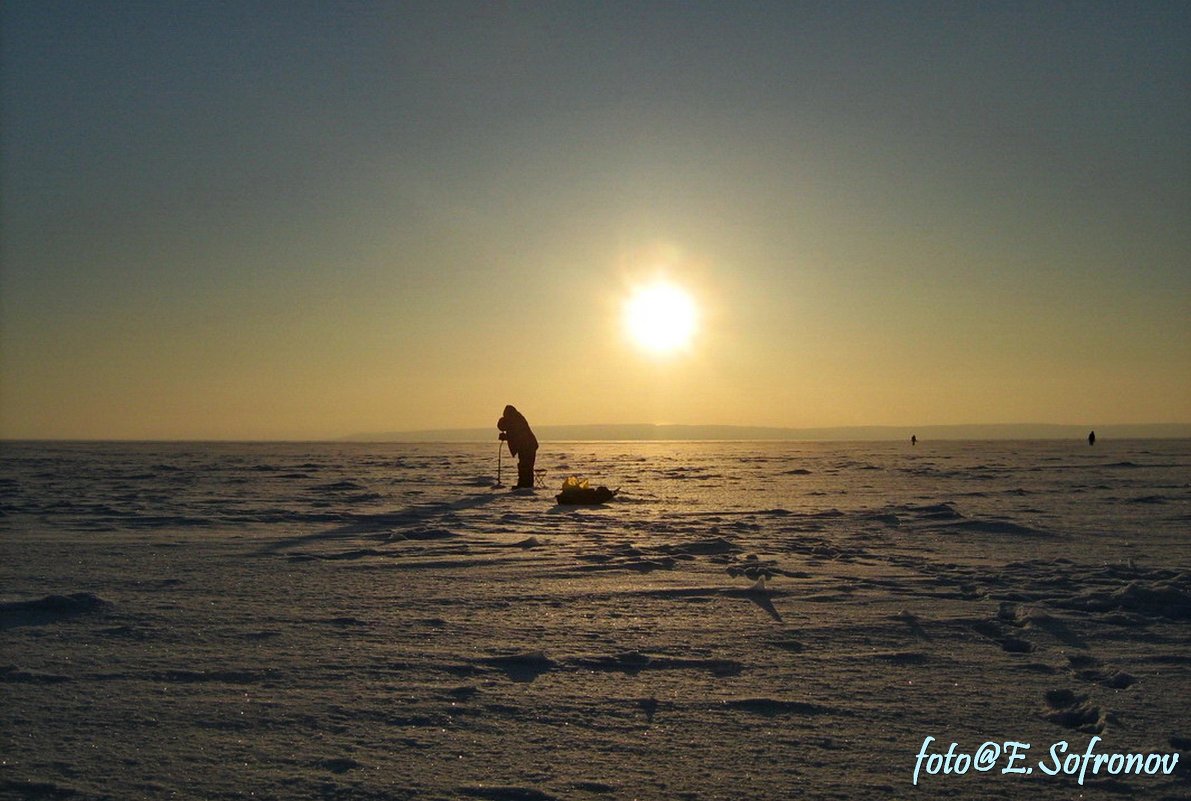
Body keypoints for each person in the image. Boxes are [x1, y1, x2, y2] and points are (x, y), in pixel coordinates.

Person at [497, 405, 538, 489]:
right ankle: (524, 484)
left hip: (528, 446)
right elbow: (515, 436)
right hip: (525, 447)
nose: (505, 430)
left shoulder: (515, 421)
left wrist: (506, 437)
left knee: (525, 466)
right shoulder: (515, 419)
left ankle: (526, 485)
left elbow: (517, 436)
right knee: (524, 465)